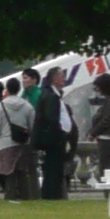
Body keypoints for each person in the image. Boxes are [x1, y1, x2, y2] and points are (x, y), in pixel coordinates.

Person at [31, 65, 72, 199]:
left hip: (55, 137)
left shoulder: (53, 94)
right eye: (62, 76)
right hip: (54, 139)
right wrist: (60, 132)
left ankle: (53, 193)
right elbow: (51, 117)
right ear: (54, 79)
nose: (64, 79)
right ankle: (52, 194)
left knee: (55, 168)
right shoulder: (50, 95)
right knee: (53, 169)